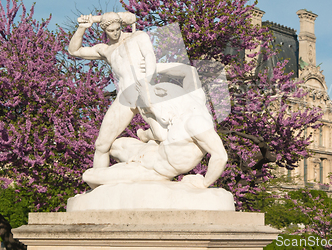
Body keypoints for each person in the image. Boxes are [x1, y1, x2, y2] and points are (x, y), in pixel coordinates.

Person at [82, 62, 228, 189]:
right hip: (149, 150)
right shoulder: (194, 97)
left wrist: (204, 183)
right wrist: (152, 68)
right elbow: (189, 71)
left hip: (152, 170)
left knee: (89, 175)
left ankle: (105, 198)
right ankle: (143, 137)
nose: (154, 116)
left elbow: (220, 156)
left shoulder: (196, 123)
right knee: (112, 146)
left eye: (152, 112)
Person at [68, 12, 161, 169]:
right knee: (102, 145)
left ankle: (144, 135)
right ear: (105, 31)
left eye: (118, 28)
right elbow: (74, 51)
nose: (116, 32)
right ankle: (98, 186)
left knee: (162, 135)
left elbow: (149, 56)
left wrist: (147, 82)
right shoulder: (105, 50)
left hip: (144, 90)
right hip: (125, 97)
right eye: (111, 30)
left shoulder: (137, 36)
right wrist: (82, 28)